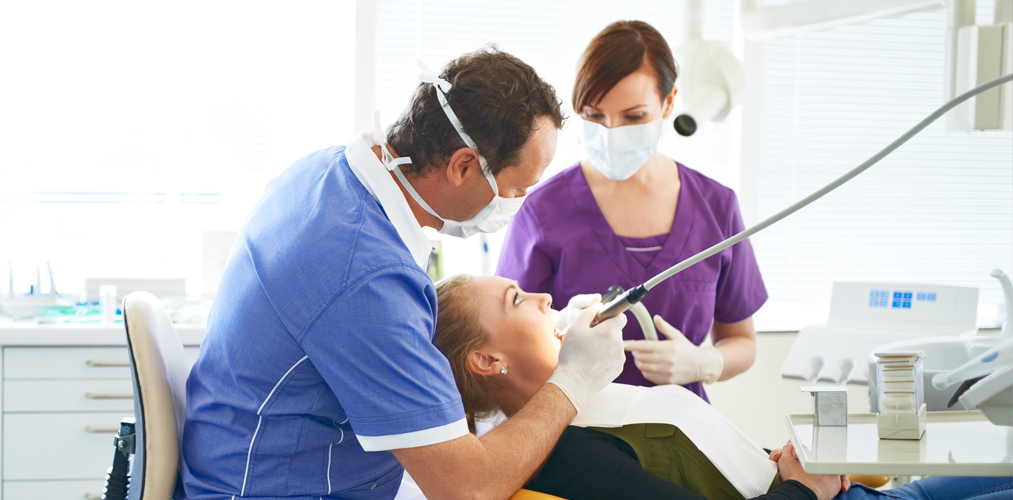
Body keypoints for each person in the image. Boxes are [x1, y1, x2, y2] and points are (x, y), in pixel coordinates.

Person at [179, 47, 630, 500]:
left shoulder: (327, 172)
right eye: (517, 189)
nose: (517, 203)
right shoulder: (366, 277)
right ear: (464, 166)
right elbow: (467, 489)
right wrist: (574, 377)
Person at [432, 273, 1013, 500]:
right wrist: (802, 489)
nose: (540, 297)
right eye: (516, 301)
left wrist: (784, 461)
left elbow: (704, 465)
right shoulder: (567, 458)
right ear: (487, 360)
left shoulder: (589, 406)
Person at [495, 20, 764, 401]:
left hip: (682, 431)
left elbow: (741, 340)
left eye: (633, 117)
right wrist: (561, 335)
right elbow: (507, 343)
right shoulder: (543, 210)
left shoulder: (716, 207)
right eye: (594, 115)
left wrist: (704, 363)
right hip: (577, 435)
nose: (611, 131)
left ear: (669, 103)